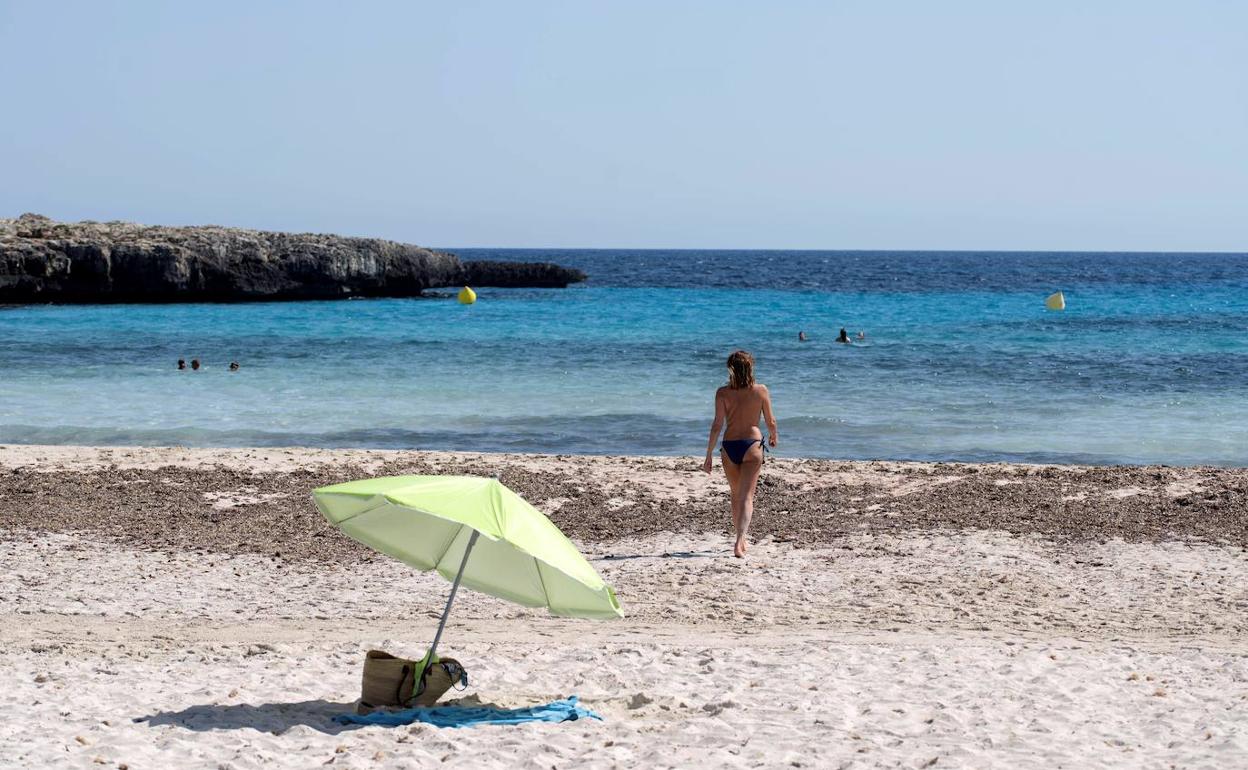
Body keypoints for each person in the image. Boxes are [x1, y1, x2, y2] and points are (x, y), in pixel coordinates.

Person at [703, 350, 778, 558]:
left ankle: (740, 539)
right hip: (752, 445)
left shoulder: (722, 393)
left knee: (735, 495)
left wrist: (708, 455)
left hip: (729, 446)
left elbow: (717, 425)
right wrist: (773, 436)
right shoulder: (761, 391)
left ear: (730, 370)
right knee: (747, 496)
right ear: (750, 368)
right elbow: (771, 421)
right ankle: (739, 541)